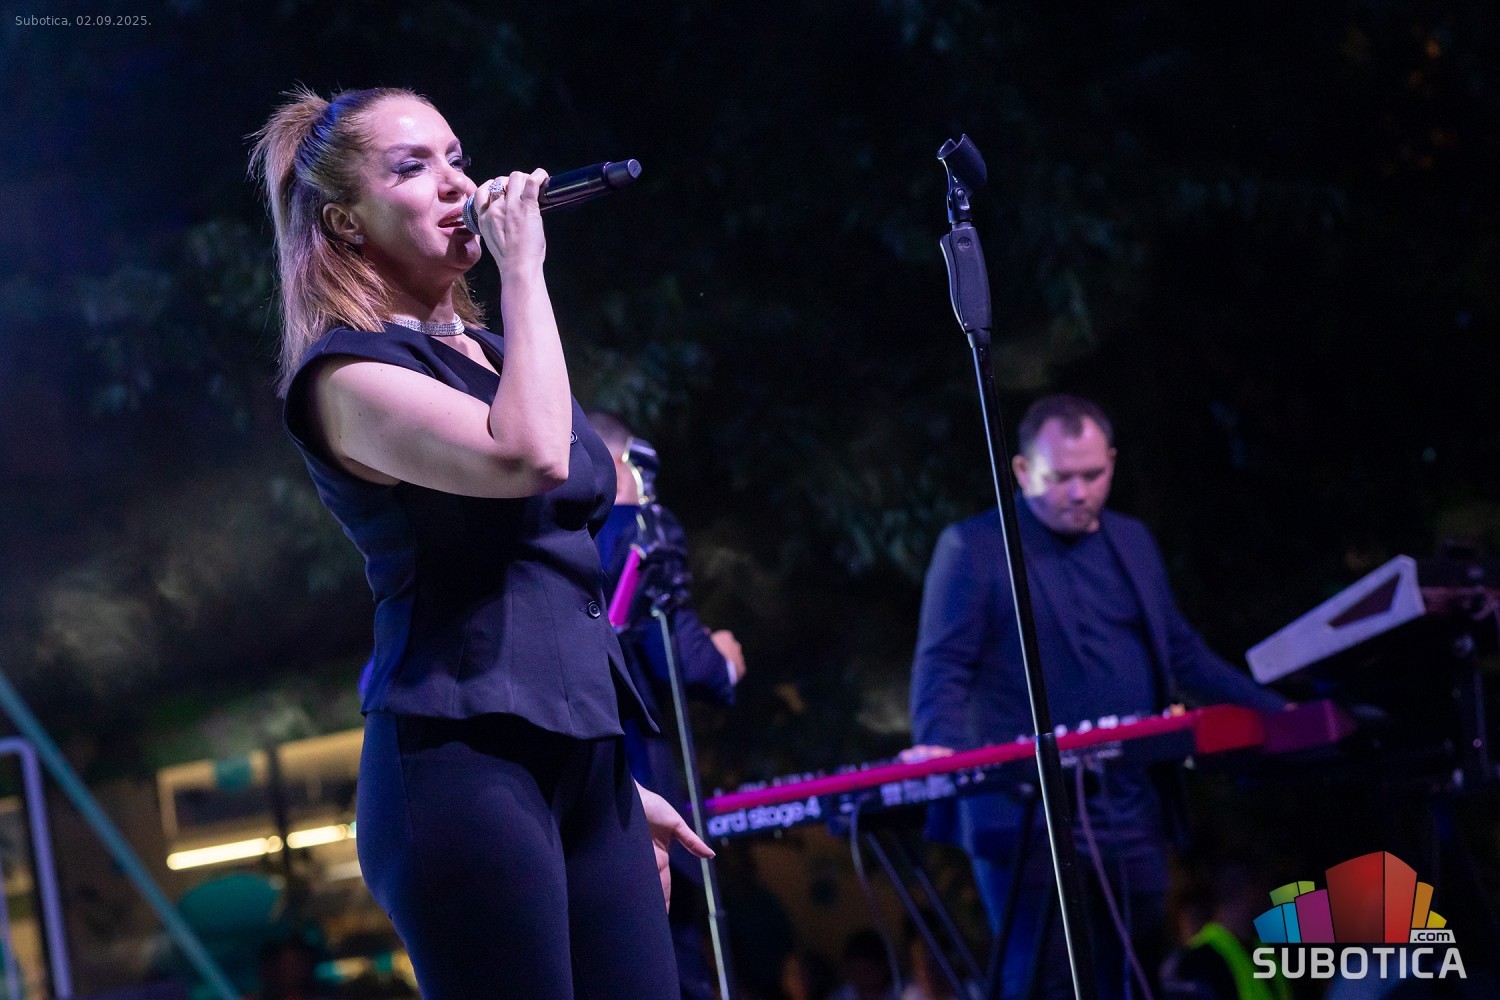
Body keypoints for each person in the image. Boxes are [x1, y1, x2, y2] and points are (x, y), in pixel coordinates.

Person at [250, 85, 711, 999]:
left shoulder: (501, 355)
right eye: (412, 167)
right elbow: (532, 456)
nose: (457, 183)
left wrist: (605, 780)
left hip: (583, 760)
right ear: (346, 221)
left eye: (456, 158)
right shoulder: (347, 376)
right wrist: (524, 269)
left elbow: (567, 537)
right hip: (460, 765)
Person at [906, 395, 1288, 1000]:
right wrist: (942, 752)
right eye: (1061, 477)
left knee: (1133, 977)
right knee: (1045, 981)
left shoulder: (1132, 541)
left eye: (1093, 474)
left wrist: (1280, 714)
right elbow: (943, 664)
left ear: (1112, 461)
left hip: (1129, 807)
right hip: (1027, 815)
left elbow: (1181, 652)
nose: (1079, 492)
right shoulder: (974, 548)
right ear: (1022, 471)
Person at [587, 410, 746, 1000]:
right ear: (622, 464)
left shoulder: (548, 541)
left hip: (581, 788)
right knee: (674, 969)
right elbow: (677, 654)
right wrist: (723, 659)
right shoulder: (638, 530)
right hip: (641, 784)